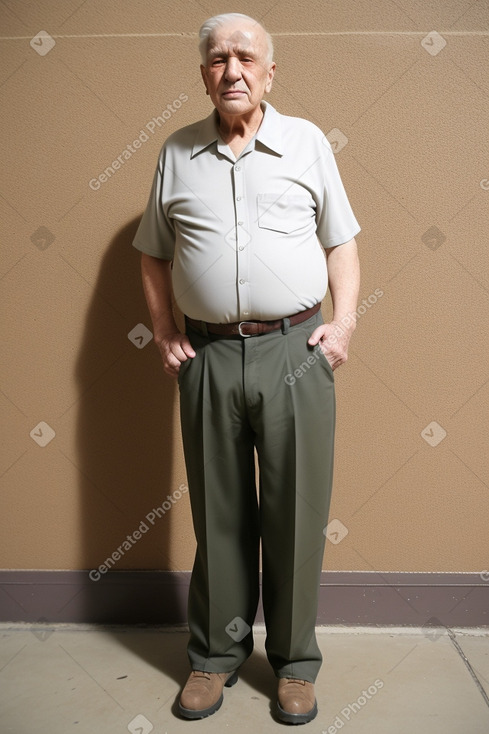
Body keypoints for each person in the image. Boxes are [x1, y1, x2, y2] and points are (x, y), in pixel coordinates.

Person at [133, 12, 360, 725]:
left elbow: (341, 242)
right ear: (202, 72)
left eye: (245, 57)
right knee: (219, 516)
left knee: (295, 515)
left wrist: (343, 324)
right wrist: (165, 327)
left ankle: (293, 664)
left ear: (269, 71)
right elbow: (152, 250)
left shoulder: (307, 143)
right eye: (216, 58)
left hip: (293, 350)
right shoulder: (175, 151)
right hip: (206, 356)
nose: (230, 70)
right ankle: (214, 657)